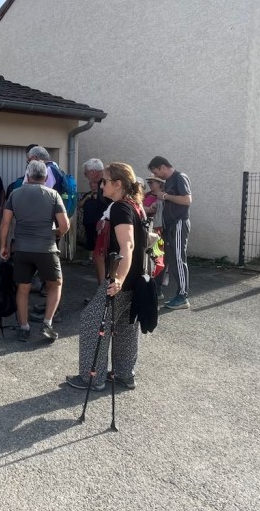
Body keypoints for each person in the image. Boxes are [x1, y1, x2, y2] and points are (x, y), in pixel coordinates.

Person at [67, 162, 145, 391]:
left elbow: (127, 245)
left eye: (105, 181)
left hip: (121, 280)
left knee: (92, 321)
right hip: (136, 279)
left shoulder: (120, 208)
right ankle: (124, 374)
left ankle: (92, 378)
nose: (101, 186)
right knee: (125, 325)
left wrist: (118, 279)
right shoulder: (135, 205)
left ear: (118, 184)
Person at [0, 160, 69, 343]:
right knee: (55, 284)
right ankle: (47, 323)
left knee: (23, 288)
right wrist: (55, 234)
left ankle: (24, 327)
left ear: (28, 176)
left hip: (22, 248)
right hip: (46, 248)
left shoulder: (15, 194)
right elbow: (64, 225)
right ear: (45, 177)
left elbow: (5, 222)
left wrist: (3, 246)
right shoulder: (53, 194)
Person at [148, 156, 192, 310]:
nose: (156, 176)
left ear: (163, 167)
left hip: (179, 224)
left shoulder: (180, 177)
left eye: (156, 172)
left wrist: (166, 196)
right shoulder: (169, 181)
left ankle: (183, 296)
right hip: (170, 226)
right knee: (171, 259)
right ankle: (176, 293)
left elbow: (187, 200)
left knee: (179, 259)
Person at [78, 158, 110, 284]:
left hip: (107, 226)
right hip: (98, 224)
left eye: (86, 173)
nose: (85, 176)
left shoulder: (107, 182)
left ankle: (104, 291)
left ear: (93, 172)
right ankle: (103, 290)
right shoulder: (102, 184)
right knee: (98, 256)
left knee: (103, 259)